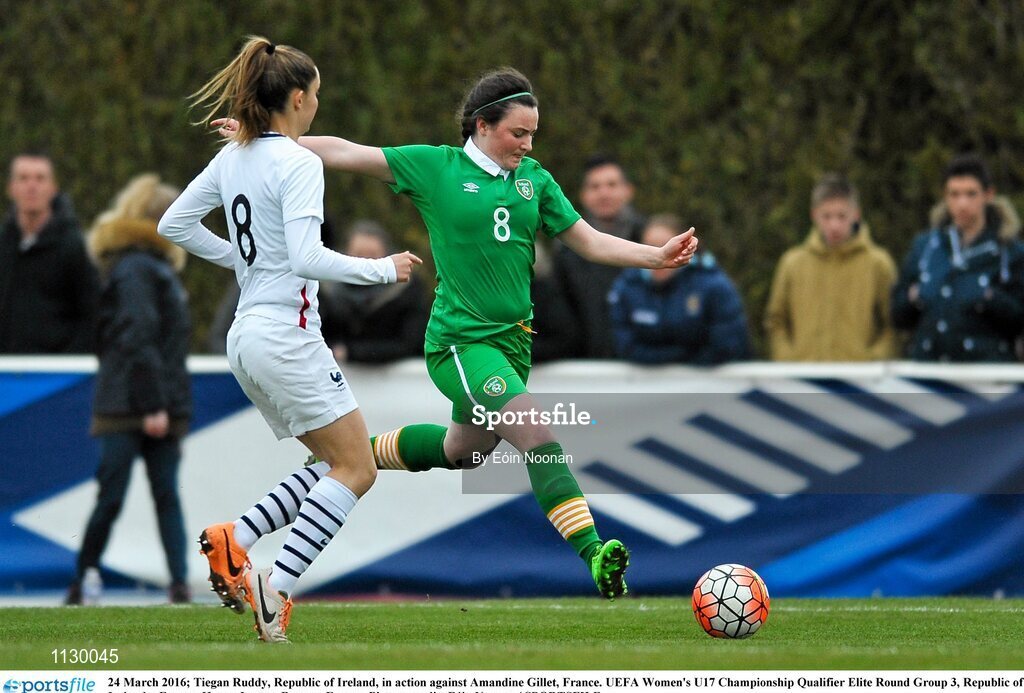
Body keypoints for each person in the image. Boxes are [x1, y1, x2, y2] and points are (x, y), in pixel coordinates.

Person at [214, 67, 698, 601]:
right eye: (519, 133)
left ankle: (353, 455)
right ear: (482, 125)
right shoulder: (436, 167)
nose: (528, 144)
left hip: (512, 346)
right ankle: (595, 552)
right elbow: (345, 150)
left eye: (533, 133)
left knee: (463, 451)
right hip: (461, 345)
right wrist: (260, 137)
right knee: (537, 433)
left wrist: (653, 256)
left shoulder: (535, 180)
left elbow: (587, 240)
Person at [157, 36, 421, 643]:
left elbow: (173, 223)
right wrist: (384, 270)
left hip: (244, 336)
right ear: (297, 97)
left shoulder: (236, 156)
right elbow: (306, 256)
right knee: (357, 468)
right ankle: (273, 585)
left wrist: (244, 265)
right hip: (286, 335)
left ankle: (238, 537)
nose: (317, 106)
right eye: (317, 96)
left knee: (331, 461)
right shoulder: (298, 164)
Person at [65, 174, 192, 606]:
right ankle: (174, 584)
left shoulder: (136, 266)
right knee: (145, 496)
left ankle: (87, 579)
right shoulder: (143, 268)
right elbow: (139, 338)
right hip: (137, 404)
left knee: (125, 496)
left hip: (130, 399)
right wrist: (155, 403)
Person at [891, 154, 1024, 361]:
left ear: (988, 195)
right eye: (954, 194)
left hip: (986, 377)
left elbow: (1019, 318)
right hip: (928, 374)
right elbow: (898, 315)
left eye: (971, 194)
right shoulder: (926, 247)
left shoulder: (1010, 251)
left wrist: (989, 297)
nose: (962, 204)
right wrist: (914, 297)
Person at [764, 174, 897, 361]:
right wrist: (788, 358)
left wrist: (873, 359)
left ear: (856, 215)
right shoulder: (792, 263)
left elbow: (894, 324)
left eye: (842, 216)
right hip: (804, 379)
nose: (834, 225)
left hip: (860, 382)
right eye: (826, 216)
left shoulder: (878, 263)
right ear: (814, 215)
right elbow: (775, 321)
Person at [608, 214, 749, 365]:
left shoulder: (713, 284)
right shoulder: (627, 285)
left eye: (665, 246)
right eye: (650, 246)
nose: (659, 254)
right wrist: (679, 356)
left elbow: (727, 344)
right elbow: (623, 344)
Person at [0, 152, 100, 353]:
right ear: (11, 188)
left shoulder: (73, 246)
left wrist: (71, 360)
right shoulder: (4, 244)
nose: (32, 186)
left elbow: (92, 312)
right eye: (23, 178)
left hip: (56, 373)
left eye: (40, 178)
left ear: (53, 188)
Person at [553, 155, 646, 359]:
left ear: (628, 190)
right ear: (583, 195)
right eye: (595, 187)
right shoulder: (566, 251)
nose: (604, 193)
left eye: (611, 185)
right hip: (587, 366)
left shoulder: (650, 241)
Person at [320, 220, 429, 363]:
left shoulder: (406, 292)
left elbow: (411, 343)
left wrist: (351, 352)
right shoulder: (329, 291)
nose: (365, 264)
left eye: (372, 256)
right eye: (358, 256)